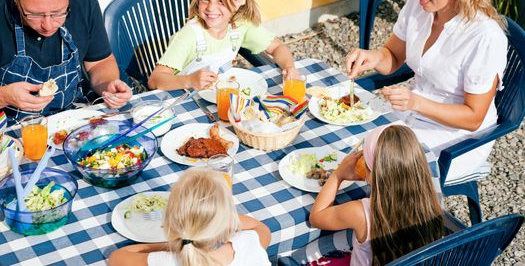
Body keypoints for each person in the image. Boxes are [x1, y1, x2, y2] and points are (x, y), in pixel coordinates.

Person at [345, 0, 508, 184]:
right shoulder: (418, 5)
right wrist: (373, 56)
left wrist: (415, 103)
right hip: (413, 111)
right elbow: (392, 56)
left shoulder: (484, 36)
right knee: (350, 149)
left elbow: (474, 118)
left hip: (457, 137)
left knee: (375, 169)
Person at [0, 0, 132, 124]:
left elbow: (99, 63)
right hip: (10, 130)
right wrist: (4, 96)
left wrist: (107, 86)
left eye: (58, 13)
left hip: (73, 119)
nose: (47, 26)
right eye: (34, 14)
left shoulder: (84, 3)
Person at [148, 0, 300, 91]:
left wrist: (289, 66)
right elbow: (154, 80)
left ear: (239, 0)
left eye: (221, 1)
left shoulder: (241, 25)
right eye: (205, 0)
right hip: (182, 98)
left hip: (220, 96)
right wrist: (189, 80)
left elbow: (277, 47)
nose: (211, 8)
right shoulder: (190, 35)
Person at [309, 124, 444, 265]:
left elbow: (316, 217)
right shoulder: (430, 201)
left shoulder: (359, 212)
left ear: (371, 175)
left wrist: (337, 175)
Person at [108, 168, 272, 266]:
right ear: (227, 219)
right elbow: (259, 227)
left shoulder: (166, 261)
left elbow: (116, 257)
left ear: (169, 224)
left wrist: (175, 245)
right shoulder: (250, 243)